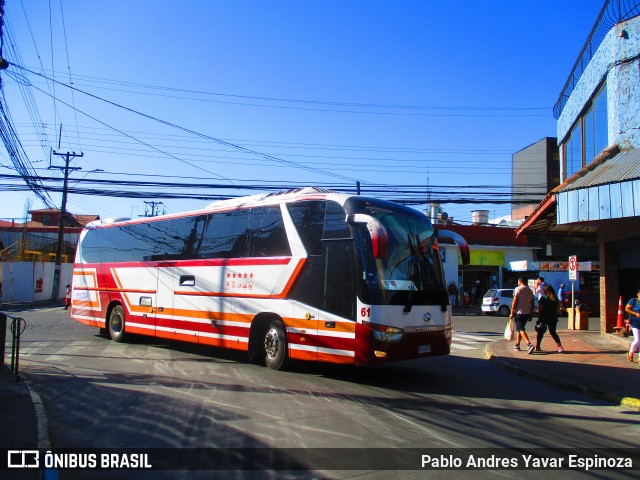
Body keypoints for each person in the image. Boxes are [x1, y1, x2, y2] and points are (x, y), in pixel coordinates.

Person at [510, 276, 536, 354]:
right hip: (527, 312)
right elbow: (532, 303)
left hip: (519, 312)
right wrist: (531, 313)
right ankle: (517, 344)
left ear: (520, 281)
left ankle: (529, 344)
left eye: (518, 281)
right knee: (520, 329)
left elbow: (514, 302)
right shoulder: (530, 290)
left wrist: (512, 312)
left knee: (521, 329)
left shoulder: (517, 289)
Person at [535, 285, 564, 353]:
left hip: (544, 317)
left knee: (540, 332)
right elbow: (558, 310)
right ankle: (559, 346)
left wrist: (537, 312)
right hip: (553, 317)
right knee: (553, 332)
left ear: (546, 291)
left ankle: (538, 346)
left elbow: (540, 308)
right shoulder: (555, 298)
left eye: (544, 291)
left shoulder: (543, 298)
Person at [624, 289, 640, 363]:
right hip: (635, 322)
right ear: (638, 294)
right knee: (637, 340)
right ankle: (630, 353)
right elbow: (626, 309)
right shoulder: (633, 300)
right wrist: (636, 314)